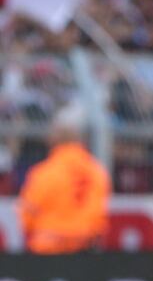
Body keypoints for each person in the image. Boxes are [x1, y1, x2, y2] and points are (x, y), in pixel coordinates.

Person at [17, 106, 111, 254]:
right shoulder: (97, 171)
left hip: (49, 250)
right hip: (87, 248)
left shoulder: (45, 172)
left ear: (54, 139)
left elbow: (27, 214)